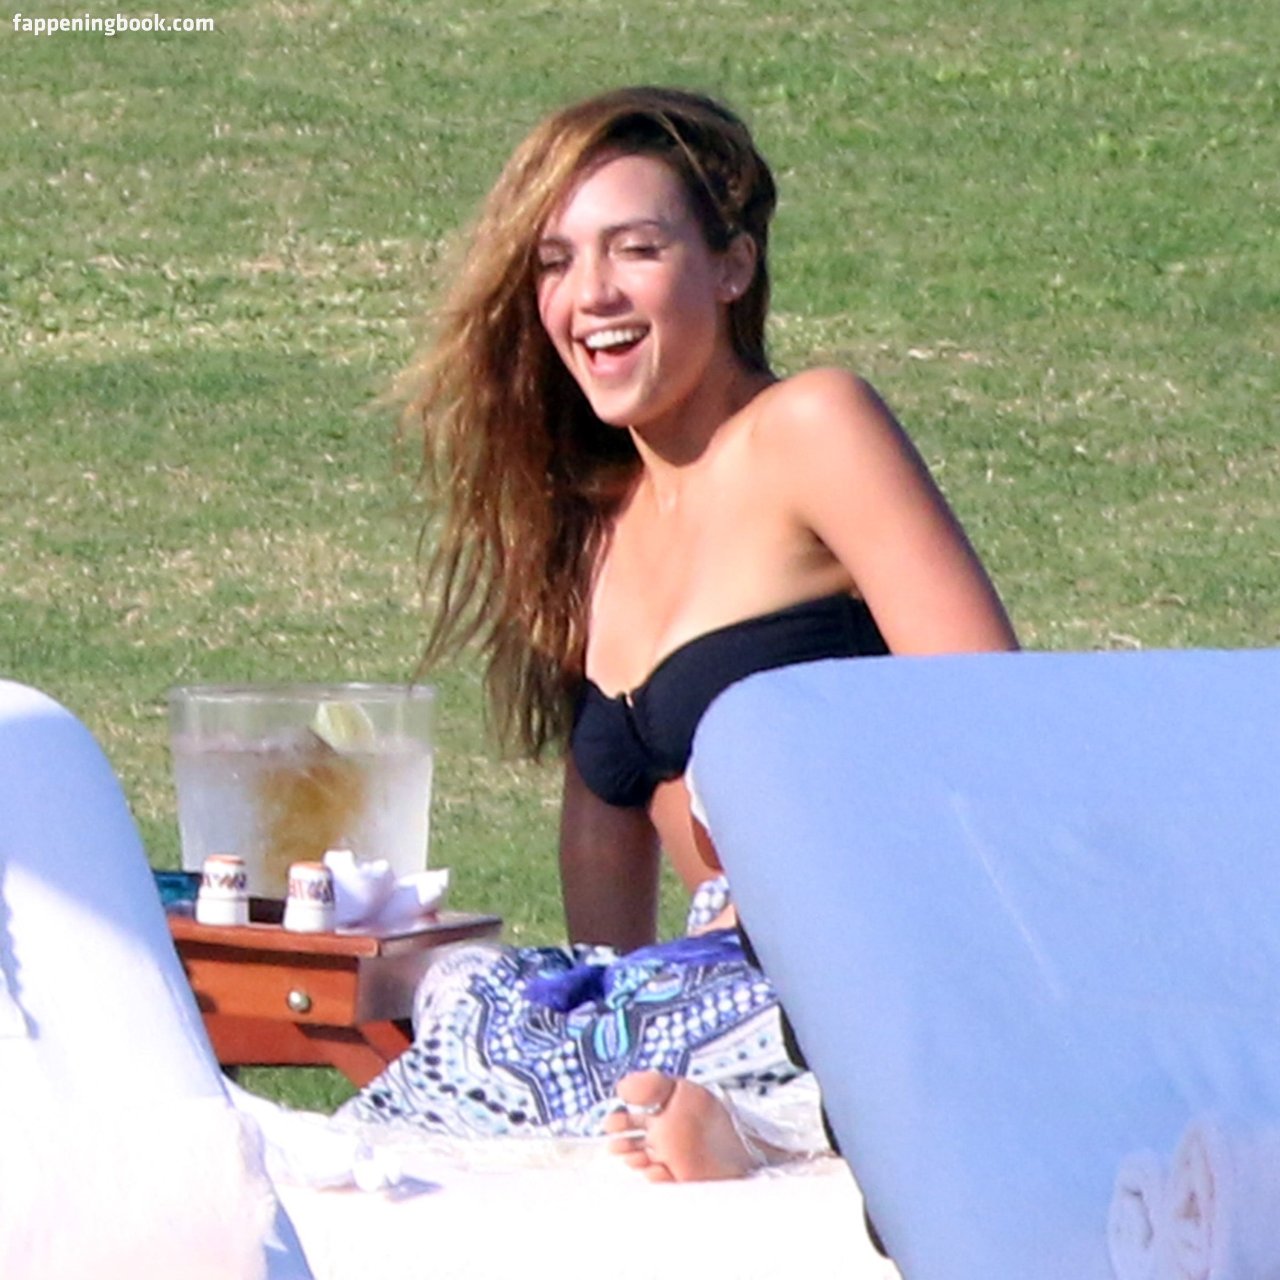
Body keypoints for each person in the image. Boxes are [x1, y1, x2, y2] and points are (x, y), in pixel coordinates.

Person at [342, 85, 1017, 1199]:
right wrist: (606, 1042)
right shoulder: (584, 529)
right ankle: (694, 1110)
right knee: (476, 1013)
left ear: (732, 266)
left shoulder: (811, 428)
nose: (590, 295)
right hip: (684, 997)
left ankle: (778, 1125)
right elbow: (608, 927)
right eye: (555, 262)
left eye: (637, 249)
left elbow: (999, 730)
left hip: (855, 963)